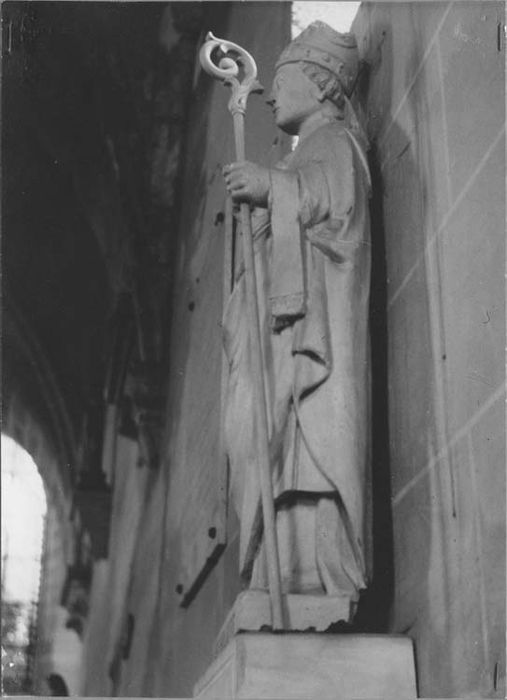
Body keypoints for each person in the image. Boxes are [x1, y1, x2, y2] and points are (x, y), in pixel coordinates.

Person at [222, 21, 372, 616]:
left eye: (281, 81)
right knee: (272, 451)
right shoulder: (303, 152)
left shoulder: (334, 142)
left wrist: (270, 187)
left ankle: (313, 577)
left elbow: (332, 207)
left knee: (306, 448)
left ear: (321, 83)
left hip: (314, 333)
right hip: (281, 334)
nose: (270, 96)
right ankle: (275, 570)